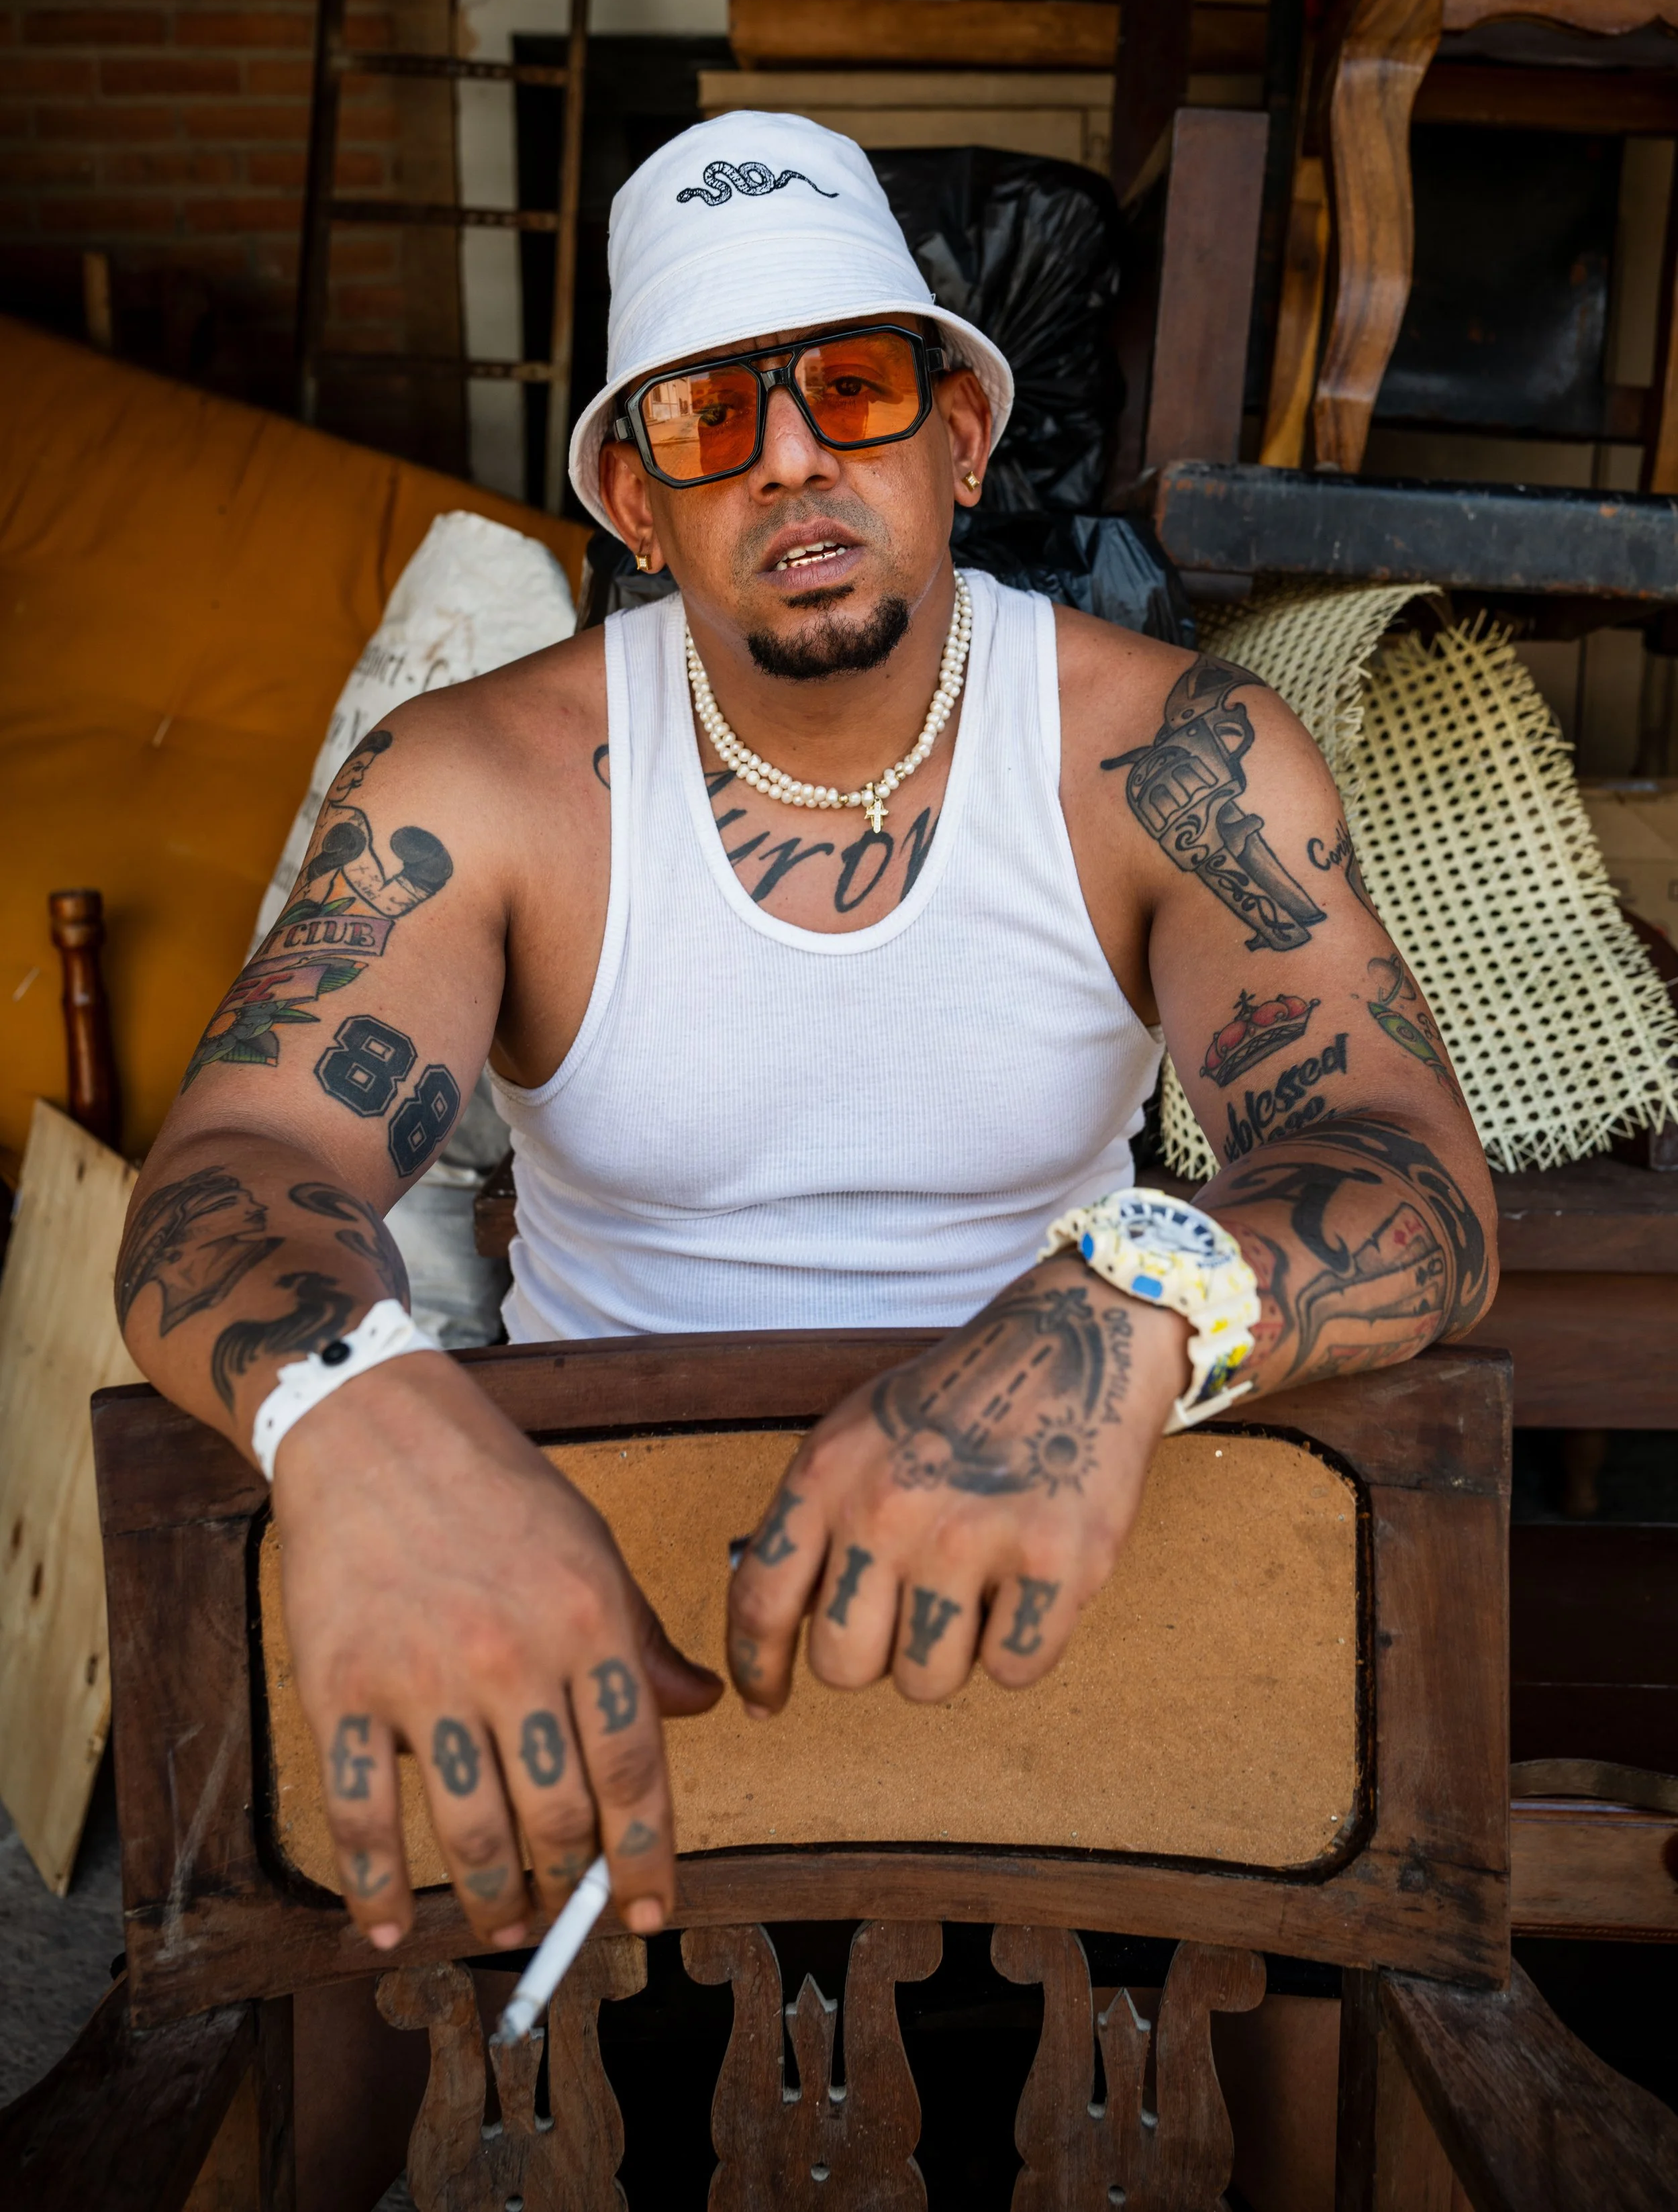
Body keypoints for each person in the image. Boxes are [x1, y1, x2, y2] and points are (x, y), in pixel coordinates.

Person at [117, 109, 1497, 1962]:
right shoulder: (478, 782)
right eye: (707, 418)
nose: (787, 460)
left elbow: (1410, 1176)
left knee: (1291, 1968)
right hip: (594, 1565)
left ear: (959, 436)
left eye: (849, 389)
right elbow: (238, 1167)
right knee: (363, 1972)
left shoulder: (1167, 757)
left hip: (1065, 1528)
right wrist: (362, 1412)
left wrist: (1123, 1307)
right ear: (637, 505)